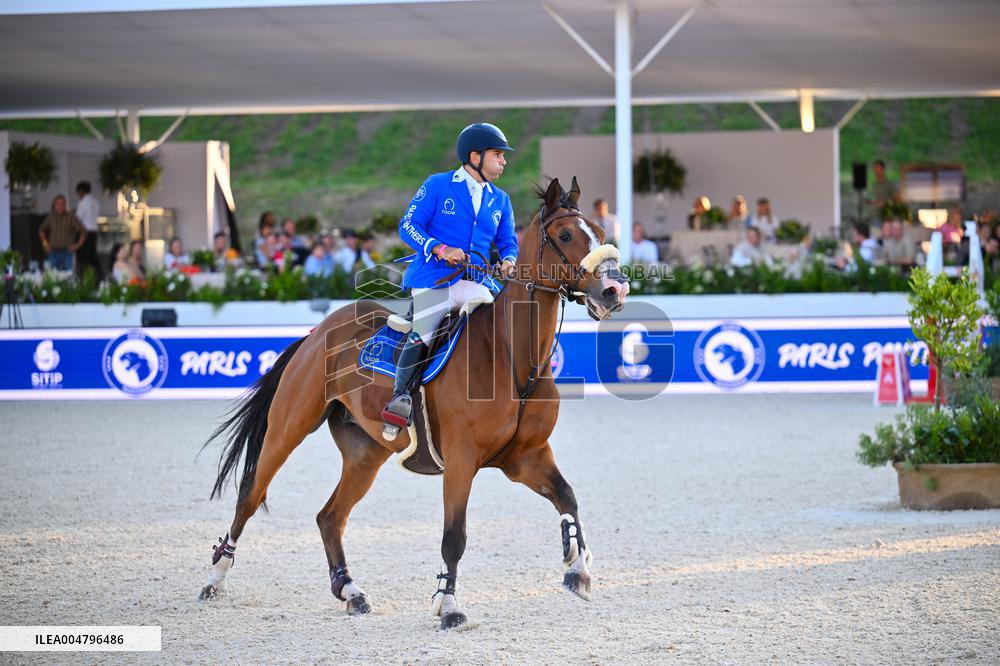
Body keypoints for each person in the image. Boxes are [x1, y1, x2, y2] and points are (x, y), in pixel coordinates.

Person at [382, 122, 517, 431]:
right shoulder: (438, 185)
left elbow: (508, 241)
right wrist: (439, 248)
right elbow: (408, 225)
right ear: (475, 156)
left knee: (505, 322)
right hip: (433, 278)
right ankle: (399, 400)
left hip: (475, 282)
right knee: (425, 331)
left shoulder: (501, 200)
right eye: (498, 154)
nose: (504, 161)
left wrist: (508, 260)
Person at [39, 194, 86, 271]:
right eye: (58, 204)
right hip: (53, 251)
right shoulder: (51, 217)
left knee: (68, 275)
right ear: (54, 205)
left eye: (62, 204)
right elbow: (41, 229)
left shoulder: (71, 217)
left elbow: (83, 231)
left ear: (65, 205)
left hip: (67, 252)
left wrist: (77, 245)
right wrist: (45, 243)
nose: (60, 206)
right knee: (53, 276)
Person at [74, 181, 102, 278]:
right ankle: (98, 277)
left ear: (81, 191)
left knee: (83, 258)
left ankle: (84, 279)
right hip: (93, 232)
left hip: (84, 233)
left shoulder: (83, 202)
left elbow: (77, 218)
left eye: (78, 192)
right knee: (93, 257)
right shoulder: (95, 202)